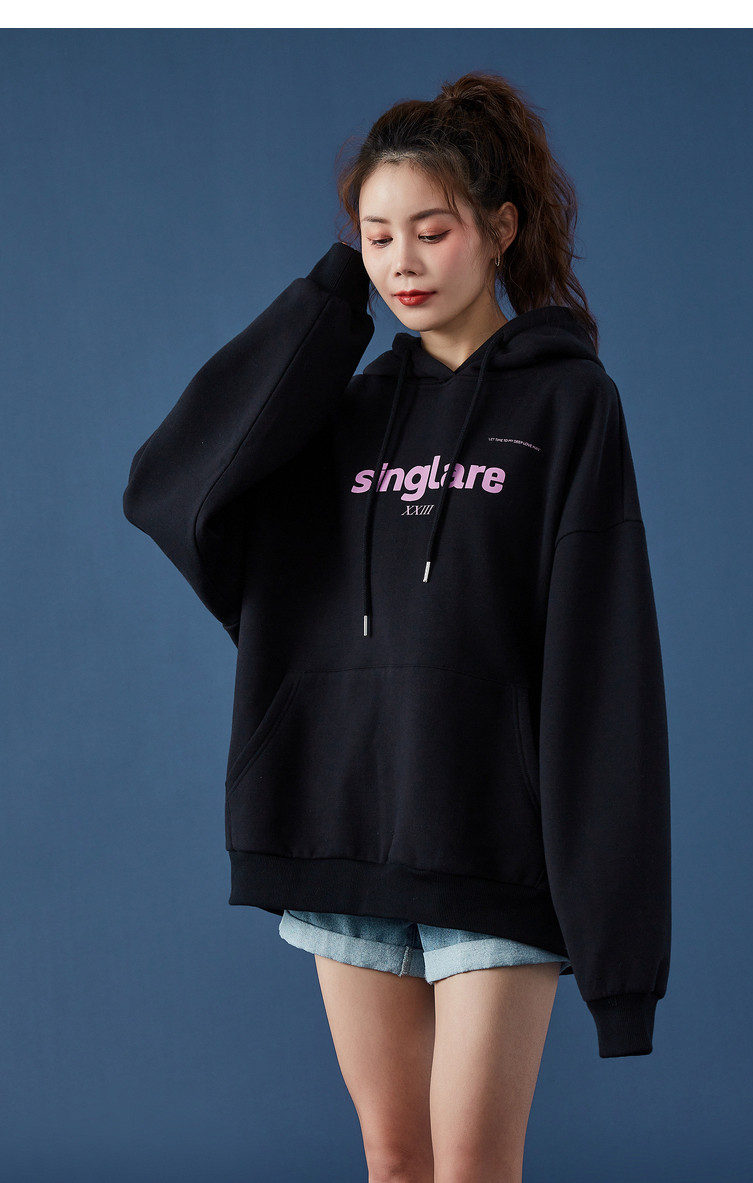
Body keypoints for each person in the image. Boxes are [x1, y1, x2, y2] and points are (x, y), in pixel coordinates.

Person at [123, 70, 671, 1183]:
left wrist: (619, 952)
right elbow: (173, 488)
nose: (402, 263)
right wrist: (331, 300)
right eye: (376, 238)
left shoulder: (569, 405)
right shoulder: (342, 413)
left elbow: (603, 665)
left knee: (470, 1162)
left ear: (500, 229)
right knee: (394, 1158)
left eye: (432, 230)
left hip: (494, 841)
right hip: (343, 829)